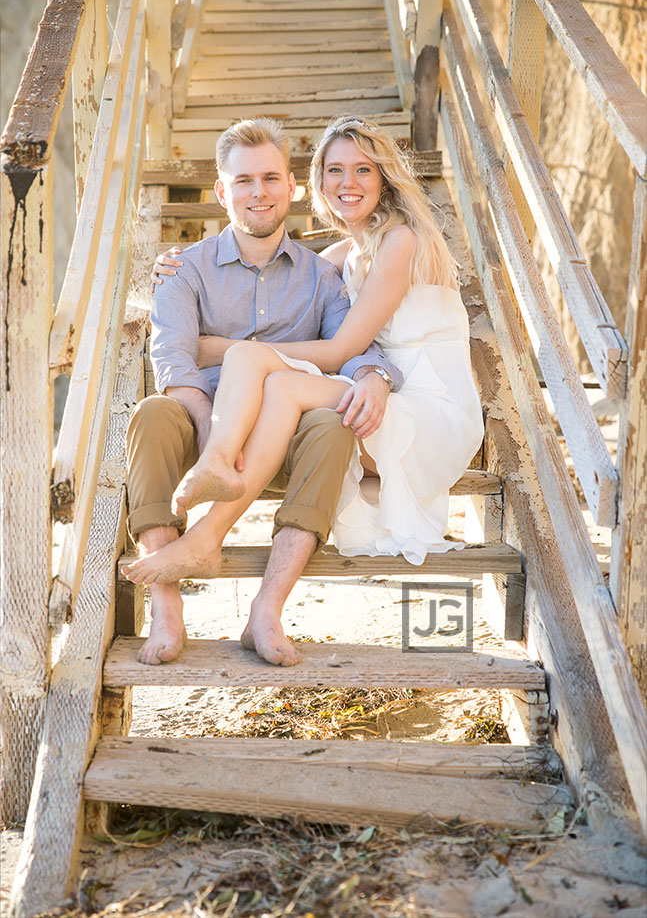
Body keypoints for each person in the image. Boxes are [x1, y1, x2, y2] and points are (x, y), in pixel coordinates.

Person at [126, 116, 484, 637]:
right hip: (216, 425)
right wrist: (209, 423)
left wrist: (374, 377)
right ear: (221, 191)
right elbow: (171, 355)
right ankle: (167, 611)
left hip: (420, 400)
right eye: (336, 170)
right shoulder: (329, 259)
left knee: (269, 374)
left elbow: (352, 346)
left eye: (364, 169)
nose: (349, 182)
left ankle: (247, 587)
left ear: (292, 188)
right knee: (158, 412)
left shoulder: (366, 255)